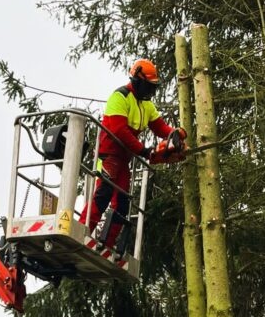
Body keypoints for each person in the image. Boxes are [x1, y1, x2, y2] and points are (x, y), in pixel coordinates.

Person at [80, 59, 186, 250]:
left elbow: (160, 127)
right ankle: (82, 231)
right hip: (109, 156)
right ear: (138, 80)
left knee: (122, 202)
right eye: (149, 86)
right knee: (103, 194)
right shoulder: (120, 97)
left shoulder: (146, 105)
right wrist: (144, 151)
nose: (151, 91)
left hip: (124, 159)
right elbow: (120, 131)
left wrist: (174, 135)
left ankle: (107, 243)